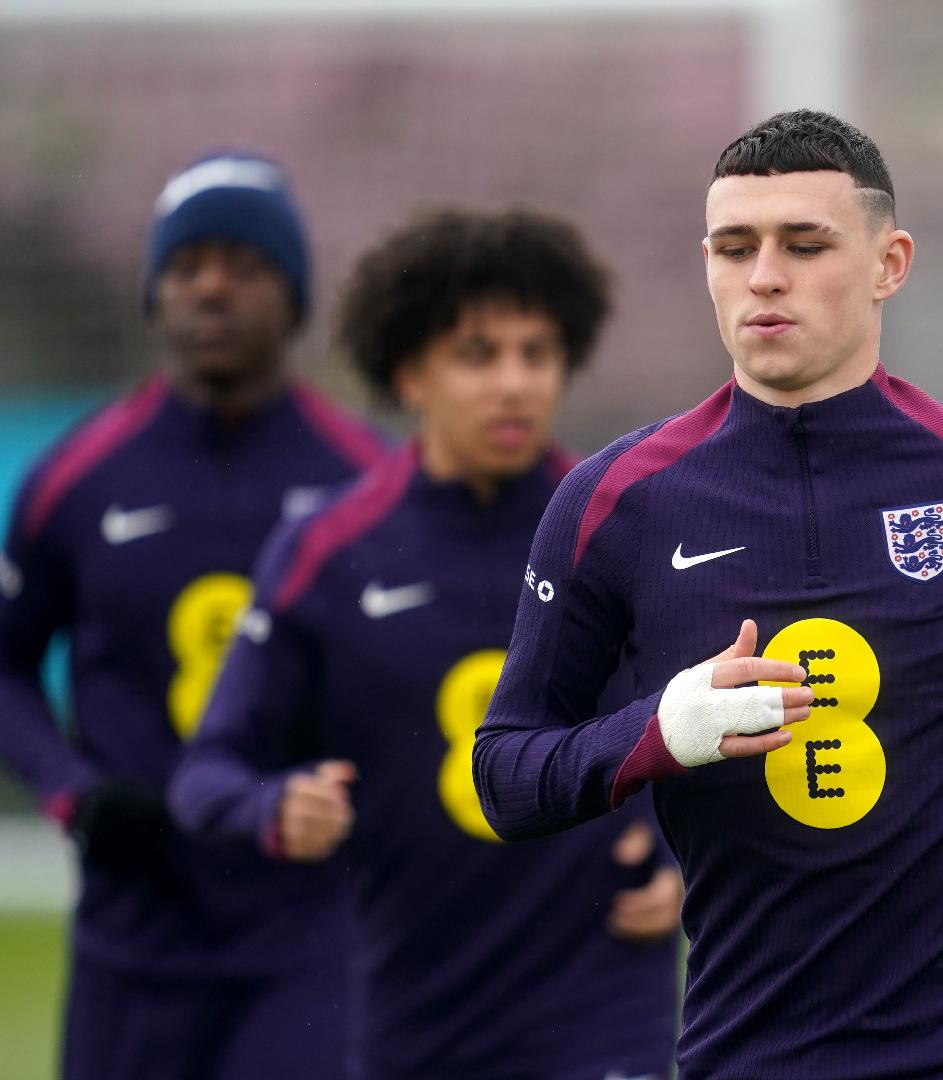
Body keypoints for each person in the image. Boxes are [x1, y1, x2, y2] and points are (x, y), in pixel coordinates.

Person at [473, 109, 943, 1079]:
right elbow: (505, 776)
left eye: (805, 244)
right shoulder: (615, 504)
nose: (765, 274)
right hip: (751, 1050)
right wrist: (658, 733)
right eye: (736, 247)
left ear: (890, 263)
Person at [168, 207, 682, 1080]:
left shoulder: (625, 525)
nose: (515, 383)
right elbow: (205, 772)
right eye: (478, 355)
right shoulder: (326, 554)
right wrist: (275, 807)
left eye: (538, 353)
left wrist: (675, 857)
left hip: (601, 1003)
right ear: (409, 372)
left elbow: (703, 721)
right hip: (414, 1013)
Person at [0, 151, 382, 1080]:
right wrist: (71, 791)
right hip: (131, 939)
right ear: (153, 295)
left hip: (309, 938)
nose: (211, 288)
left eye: (244, 266)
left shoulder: (360, 480)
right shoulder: (77, 479)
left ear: (293, 297)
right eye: (186, 267)